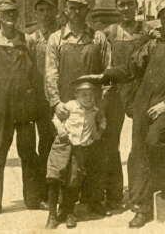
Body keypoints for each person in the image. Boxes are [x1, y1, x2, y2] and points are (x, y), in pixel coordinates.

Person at [82, 0, 165, 228]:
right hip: (144, 103)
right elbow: (131, 67)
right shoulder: (153, 44)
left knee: (154, 141)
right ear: (160, 19)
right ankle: (141, 208)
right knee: (137, 154)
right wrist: (105, 76)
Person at [45, 0, 112, 218]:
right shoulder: (56, 39)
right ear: (66, 10)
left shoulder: (99, 38)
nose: (75, 12)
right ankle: (67, 207)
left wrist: (100, 103)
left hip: (92, 109)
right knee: (68, 159)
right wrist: (55, 102)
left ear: (87, 10)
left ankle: (94, 200)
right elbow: (50, 73)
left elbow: (108, 73)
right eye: (71, 7)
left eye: (80, 8)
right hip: (68, 109)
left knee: (94, 155)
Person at [0, 0, 43, 221]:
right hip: (0, 106)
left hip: (24, 105)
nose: (10, 17)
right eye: (5, 13)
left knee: (28, 152)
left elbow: (35, 73)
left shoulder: (28, 41)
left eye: (13, 12)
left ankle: (33, 198)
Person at [100, 0, 150, 213]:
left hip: (139, 92)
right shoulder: (109, 32)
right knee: (111, 145)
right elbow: (104, 64)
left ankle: (138, 194)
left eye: (130, 3)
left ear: (136, 5)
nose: (126, 8)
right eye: (121, 4)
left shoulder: (146, 31)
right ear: (116, 7)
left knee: (138, 144)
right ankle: (113, 195)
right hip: (116, 93)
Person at [45, 78, 106, 229]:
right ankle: (52, 215)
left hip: (80, 148)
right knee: (55, 177)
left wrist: (99, 132)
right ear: (76, 95)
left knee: (74, 179)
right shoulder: (70, 106)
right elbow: (56, 118)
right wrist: (60, 129)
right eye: (83, 94)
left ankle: (70, 212)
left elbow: (102, 120)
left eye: (91, 95)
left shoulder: (96, 109)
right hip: (63, 144)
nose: (88, 98)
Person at [31, 0, 60, 209]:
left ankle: (67, 191)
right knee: (45, 145)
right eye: (40, 10)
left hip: (60, 100)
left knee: (65, 143)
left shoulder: (61, 36)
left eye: (48, 9)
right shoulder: (32, 40)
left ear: (55, 11)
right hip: (41, 102)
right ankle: (45, 194)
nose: (45, 14)